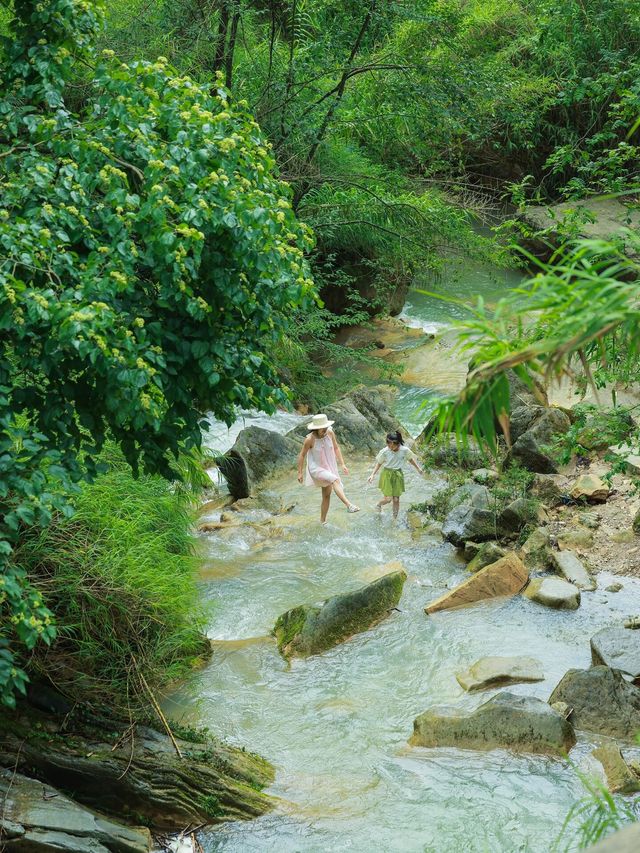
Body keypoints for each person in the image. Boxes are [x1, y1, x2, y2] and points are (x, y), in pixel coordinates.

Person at [297, 413, 360, 523]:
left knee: (326, 495)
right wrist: (300, 473)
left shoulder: (330, 432)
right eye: (323, 428)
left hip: (329, 466)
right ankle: (349, 505)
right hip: (316, 468)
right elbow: (302, 455)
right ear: (316, 428)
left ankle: (322, 521)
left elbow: (336, 448)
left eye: (326, 426)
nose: (326, 429)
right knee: (334, 480)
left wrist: (343, 464)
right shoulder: (310, 439)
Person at [367, 430, 424, 519]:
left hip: (398, 475)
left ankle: (394, 519)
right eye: (388, 443)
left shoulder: (404, 450)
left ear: (398, 443)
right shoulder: (385, 451)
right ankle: (378, 504)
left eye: (392, 444)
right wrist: (372, 474)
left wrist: (418, 469)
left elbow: (410, 459)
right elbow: (379, 463)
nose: (390, 446)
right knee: (388, 499)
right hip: (387, 474)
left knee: (396, 499)